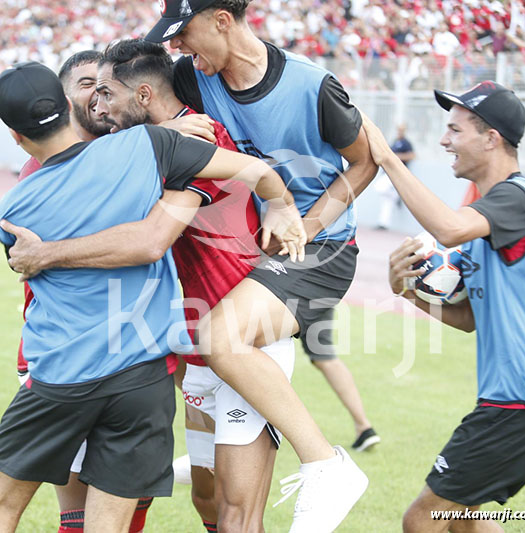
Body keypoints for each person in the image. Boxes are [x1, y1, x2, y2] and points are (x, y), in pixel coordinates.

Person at [0, 60, 305, 532]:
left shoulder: (15, 207)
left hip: (61, 377)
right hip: (142, 380)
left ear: (16, 137)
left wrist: (47, 254)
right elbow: (253, 171)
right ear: (68, 105)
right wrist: (281, 204)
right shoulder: (148, 147)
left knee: (7, 505)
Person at [146, 2, 378, 529]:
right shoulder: (189, 77)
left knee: (221, 337)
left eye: (184, 33)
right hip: (250, 258)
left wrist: (308, 224)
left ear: (223, 21)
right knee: (200, 349)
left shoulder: (311, 85)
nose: (177, 46)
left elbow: (365, 161)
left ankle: (326, 462)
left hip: (320, 250)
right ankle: (209, 457)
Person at [90, 38, 296, 533]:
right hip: (198, 344)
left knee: (236, 514)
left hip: (244, 339)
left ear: (143, 95)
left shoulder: (203, 141)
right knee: (207, 502)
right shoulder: (159, 141)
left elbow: (150, 238)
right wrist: (157, 136)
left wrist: (162, 138)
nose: (99, 108)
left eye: (106, 94)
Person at [362, 81, 525, 532]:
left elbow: (447, 228)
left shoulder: (515, 198)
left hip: (520, 399)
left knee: (423, 519)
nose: (444, 140)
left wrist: (387, 158)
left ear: (492, 139)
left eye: (455, 130)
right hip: (515, 398)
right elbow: (468, 319)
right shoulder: (491, 215)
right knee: (461, 519)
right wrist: (407, 290)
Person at [300, 311, 380, 451]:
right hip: (321, 292)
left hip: (287, 292)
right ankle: (363, 426)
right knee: (325, 358)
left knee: (259, 346)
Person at [375, 123, 415, 230]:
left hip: (397, 173)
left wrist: (396, 157)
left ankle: (397, 195)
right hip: (388, 171)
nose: (399, 132)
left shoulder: (406, 143)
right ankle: (383, 223)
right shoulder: (394, 141)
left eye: (402, 130)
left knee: (381, 187)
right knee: (387, 201)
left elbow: (412, 155)